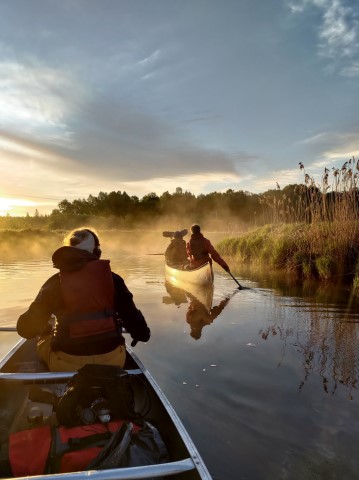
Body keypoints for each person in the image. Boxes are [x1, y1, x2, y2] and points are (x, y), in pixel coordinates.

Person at [17, 227, 150, 372]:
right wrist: (140, 333)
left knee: (44, 339)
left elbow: (26, 331)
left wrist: (45, 329)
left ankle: (53, 384)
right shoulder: (114, 280)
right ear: (97, 252)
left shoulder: (54, 283)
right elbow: (141, 333)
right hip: (112, 361)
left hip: (66, 364)